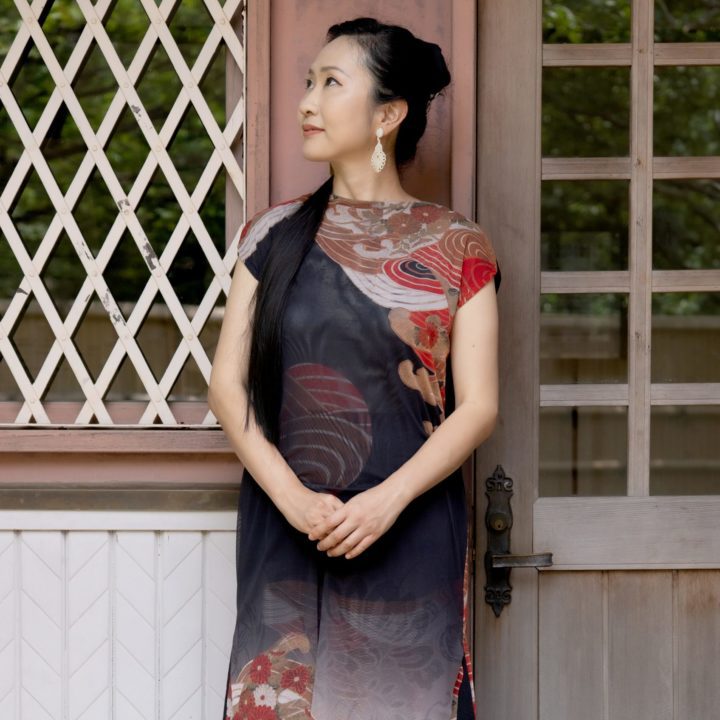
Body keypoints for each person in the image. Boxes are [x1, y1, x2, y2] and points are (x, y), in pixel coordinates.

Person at [209, 16, 500, 720]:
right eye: (308, 82)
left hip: (410, 523)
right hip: (287, 523)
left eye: (330, 83)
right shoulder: (271, 235)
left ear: (388, 114)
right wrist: (292, 499)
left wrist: (386, 501)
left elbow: (480, 406)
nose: (306, 102)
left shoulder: (458, 245)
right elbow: (227, 387)